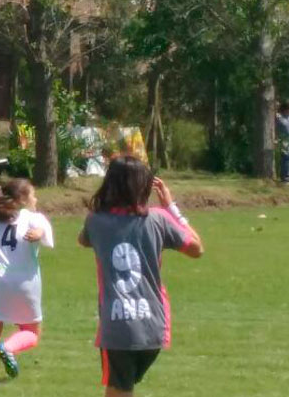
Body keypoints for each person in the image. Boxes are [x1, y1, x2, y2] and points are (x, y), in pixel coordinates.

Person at [78, 156, 203, 397]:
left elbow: (82, 240)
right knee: (125, 388)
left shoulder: (95, 221)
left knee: (118, 391)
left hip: (117, 329)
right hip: (154, 327)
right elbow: (197, 248)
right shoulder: (158, 218)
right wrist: (171, 208)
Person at [0, 178, 54, 382]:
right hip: (24, 281)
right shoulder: (33, 218)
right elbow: (45, 235)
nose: (36, 198)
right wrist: (39, 233)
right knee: (32, 332)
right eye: (32, 194)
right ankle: (8, 348)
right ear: (22, 199)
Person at [276, 102, 289, 184]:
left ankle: (286, 177)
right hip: (284, 140)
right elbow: (276, 129)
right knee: (286, 158)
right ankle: (285, 178)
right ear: (285, 110)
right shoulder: (279, 118)